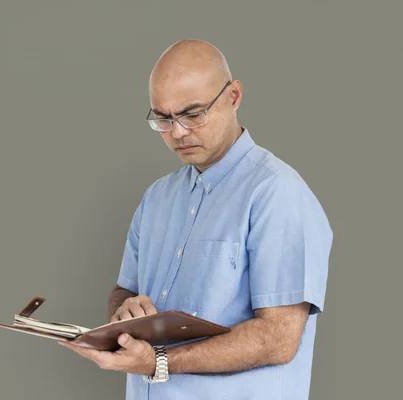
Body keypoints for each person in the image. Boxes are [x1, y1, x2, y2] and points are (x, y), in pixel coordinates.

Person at [59, 39, 333, 400]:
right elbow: (124, 289)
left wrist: (158, 361)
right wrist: (123, 311)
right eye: (163, 118)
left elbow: (277, 339)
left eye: (192, 114)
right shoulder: (157, 197)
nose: (178, 133)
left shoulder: (277, 194)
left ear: (234, 95)